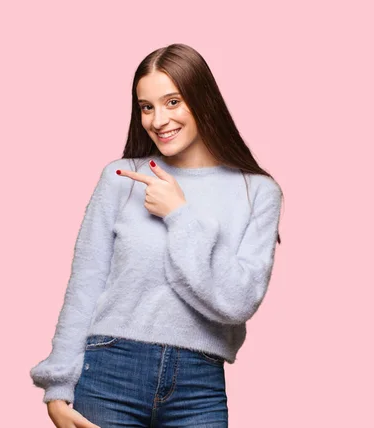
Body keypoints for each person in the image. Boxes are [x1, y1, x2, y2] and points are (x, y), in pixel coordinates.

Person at [29, 43, 284, 428]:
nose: (158, 120)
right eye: (146, 107)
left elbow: (238, 302)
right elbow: (86, 283)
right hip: (109, 372)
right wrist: (58, 387)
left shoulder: (258, 191)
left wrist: (178, 214)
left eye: (172, 102)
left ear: (203, 100)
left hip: (199, 387)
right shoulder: (122, 178)